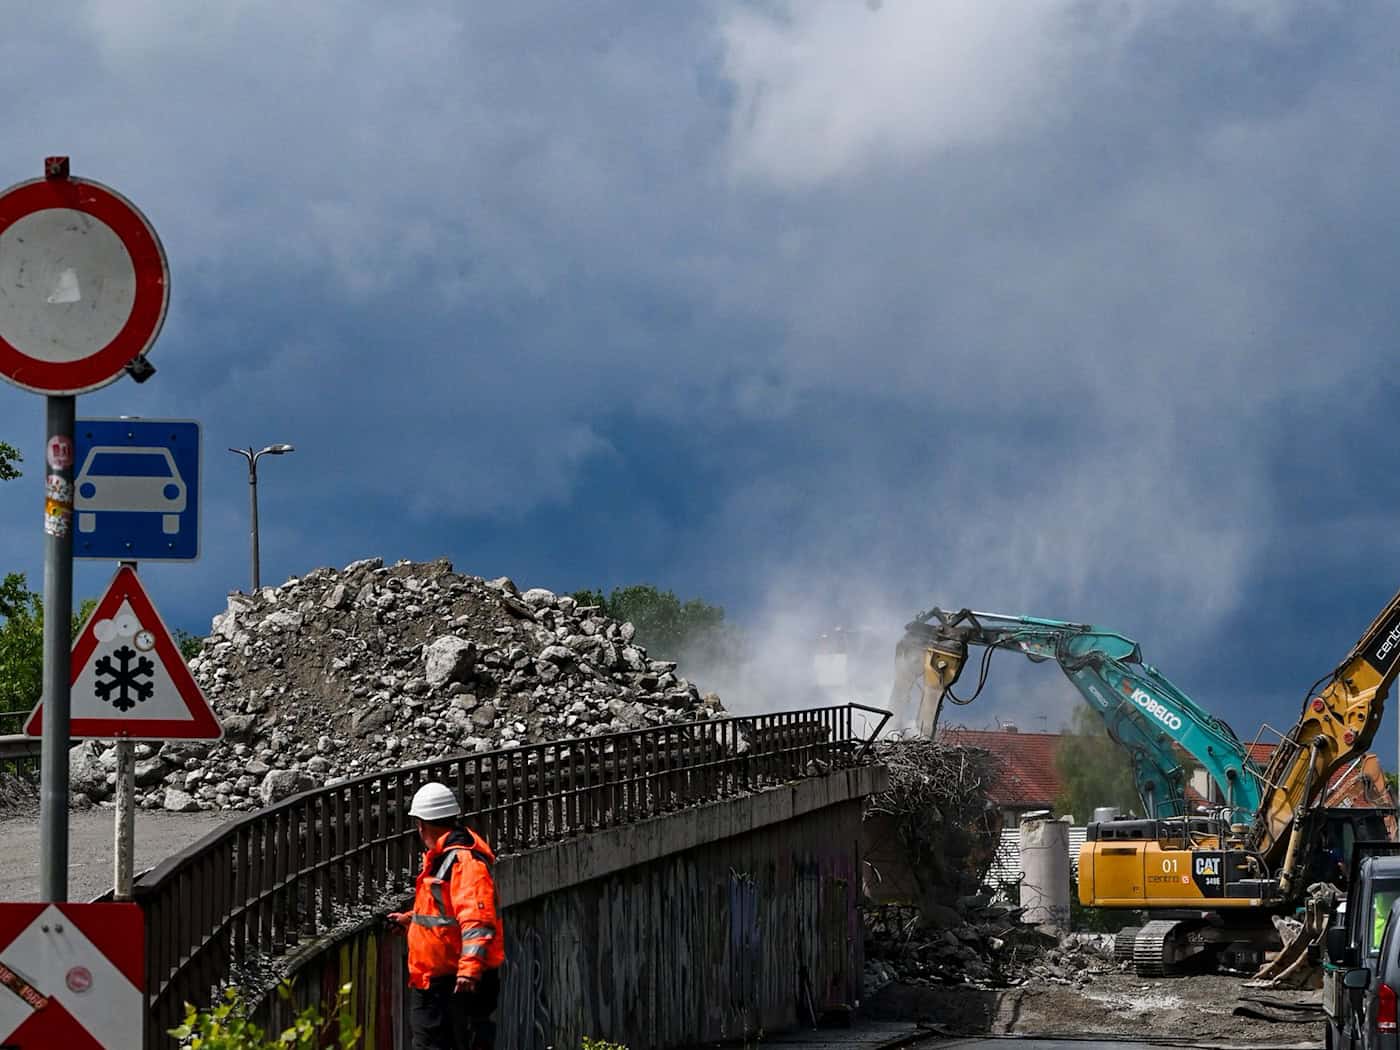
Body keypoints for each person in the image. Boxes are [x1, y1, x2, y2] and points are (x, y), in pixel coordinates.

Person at [388, 782, 505, 1050]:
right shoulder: (444, 859)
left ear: (422, 824)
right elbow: (444, 914)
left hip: (455, 984)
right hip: (440, 981)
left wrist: (469, 971)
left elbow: (478, 922)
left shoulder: (464, 863)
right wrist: (411, 921)